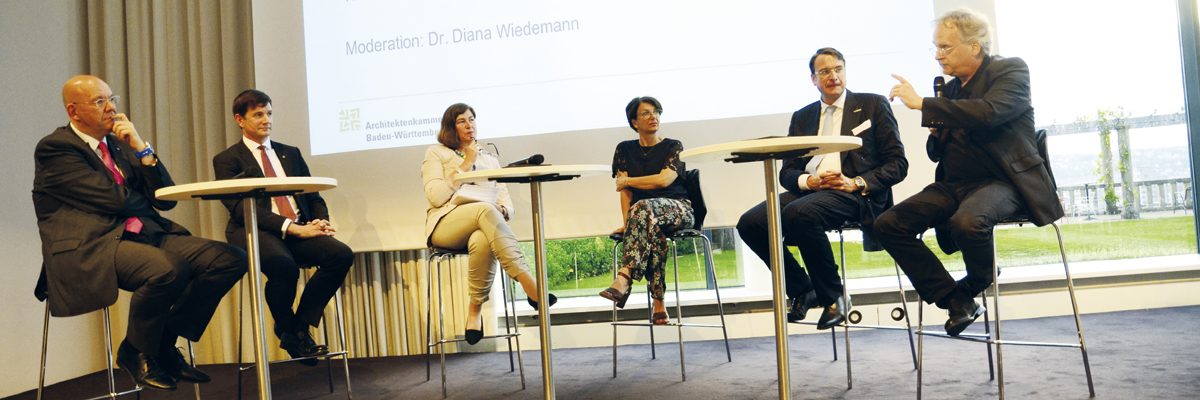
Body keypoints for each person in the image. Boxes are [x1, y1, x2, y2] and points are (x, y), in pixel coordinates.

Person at [32, 75, 247, 391]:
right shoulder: (56, 148)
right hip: (94, 244)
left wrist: (143, 149)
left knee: (229, 258)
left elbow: (167, 197)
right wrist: (147, 201)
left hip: (143, 234)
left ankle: (154, 344)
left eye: (112, 98)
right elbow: (113, 199)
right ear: (74, 112)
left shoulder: (120, 145)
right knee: (168, 269)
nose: (112, 108)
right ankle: (138, 351)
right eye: (100, 101)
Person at [879, 8, 1062, 336]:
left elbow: (988, 113)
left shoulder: (1011, 70)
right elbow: (938, 153)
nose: (938, 56)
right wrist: (936, 134)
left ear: (974, 46)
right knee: (888, 224)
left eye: (945, 48)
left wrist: (923, 105)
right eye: (936, 48)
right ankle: (956, 299)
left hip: (1004, 181)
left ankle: (976, 282)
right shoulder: (949, 91)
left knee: (967, 222)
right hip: (954, 185)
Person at [737, 48, 908, 329]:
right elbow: (788, 171)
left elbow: (898, 164)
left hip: (852, 191)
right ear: (813, 79)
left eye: (838, 69)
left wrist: (856, 182)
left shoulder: (872, 105)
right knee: (750, 223)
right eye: (825, 71)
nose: (833, 76)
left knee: (799, 213)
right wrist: (809, 181)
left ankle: (835, 297)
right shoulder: (803, 116)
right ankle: (803, 288)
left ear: (845, 71)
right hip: (811, 189)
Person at [213, 89, 354, 365]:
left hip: (298, 228)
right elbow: (241, 208)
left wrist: (318, 220)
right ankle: (289, 327)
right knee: (284, 266)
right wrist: (291, 227)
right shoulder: (227, 160)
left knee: (341, 255)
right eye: (258, 114)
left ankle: (296, 329)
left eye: (269, 113)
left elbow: (313, 195)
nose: (267, 120)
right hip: (254, 229)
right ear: (240, 120)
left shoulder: (290, 153)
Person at [421, 103, 556, 345]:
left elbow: (508, 205)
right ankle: (529, 284)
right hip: (445, 226)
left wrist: (502, 210)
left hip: (480, 224)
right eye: (462, 121)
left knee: (483, 238)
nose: (469, 124)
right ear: (450, 127)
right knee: (484, 209)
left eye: (472, 119)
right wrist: (464, 164)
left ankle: (474, 313)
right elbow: (435, 197)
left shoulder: (489, 161)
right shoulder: (436, 153)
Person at [599, 96, 693, 325]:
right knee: (653, 232)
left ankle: (624, 277)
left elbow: (664, 180)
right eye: (646, 113)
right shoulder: (624, 149)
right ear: (634, 123)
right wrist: (628, 222)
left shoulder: (673, 145)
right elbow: (625, 191)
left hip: (679, 209)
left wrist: (630, 180)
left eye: (657, 112)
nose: (654, 117)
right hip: (644, 218)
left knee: (641, 208)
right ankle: (659, 303)